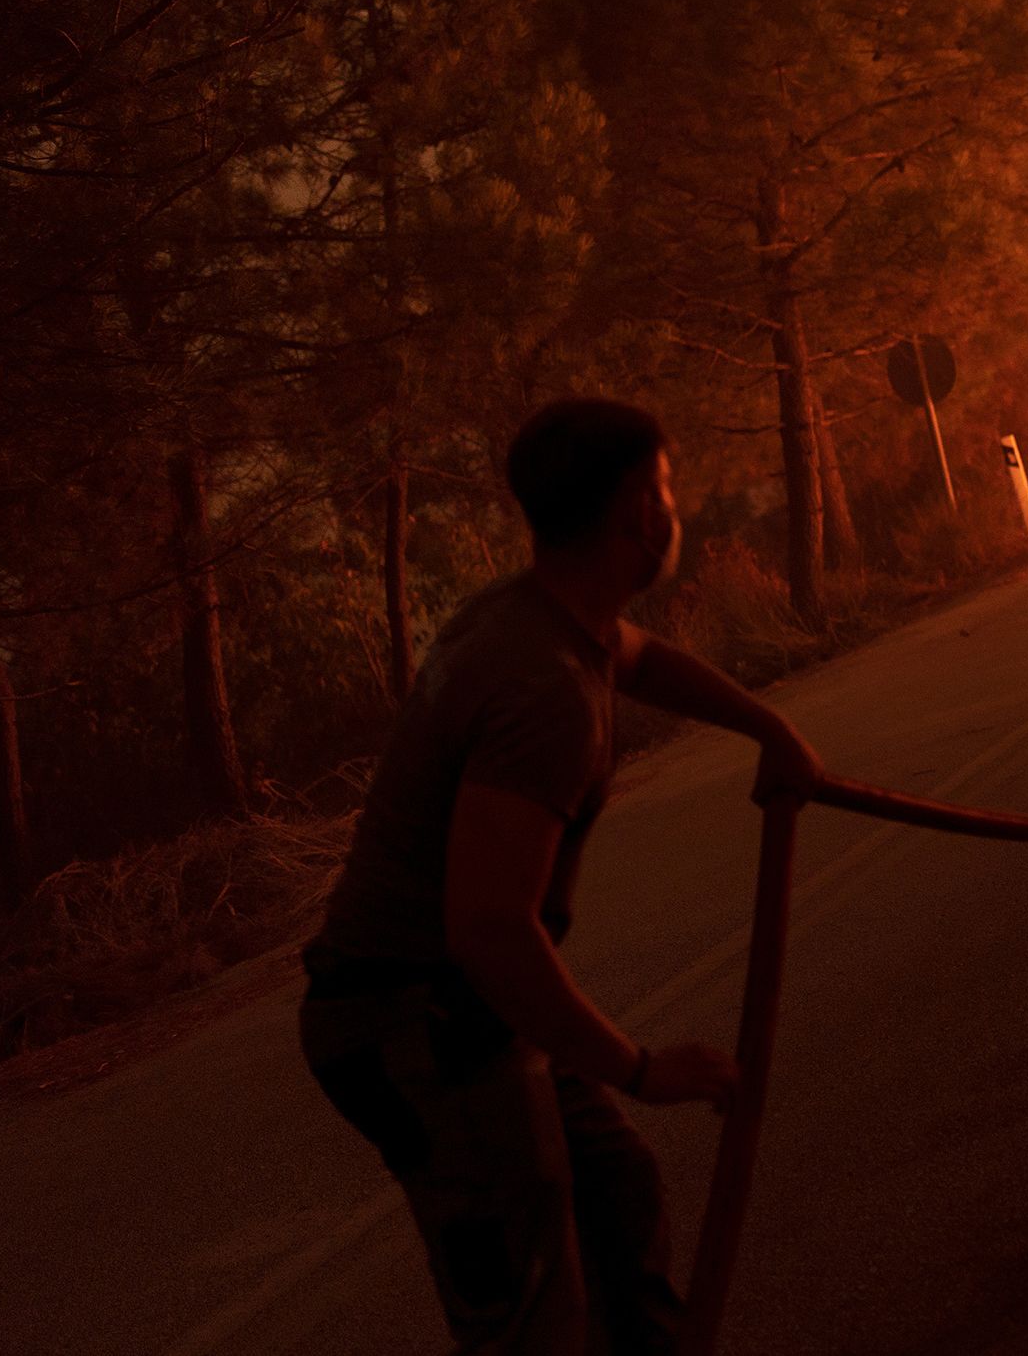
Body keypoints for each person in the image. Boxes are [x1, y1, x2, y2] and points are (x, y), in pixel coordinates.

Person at [299, 397, 825, 1355]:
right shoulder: (544, 687)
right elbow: (492, 928)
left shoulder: (536, 618)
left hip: (461, 1013)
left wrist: (769, 727)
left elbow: (642, 658)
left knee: (612, 1192)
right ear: (637, 508)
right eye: (667, 485)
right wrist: (642, 1068)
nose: (677, 508)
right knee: (536, 1317)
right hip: (418, 1031)